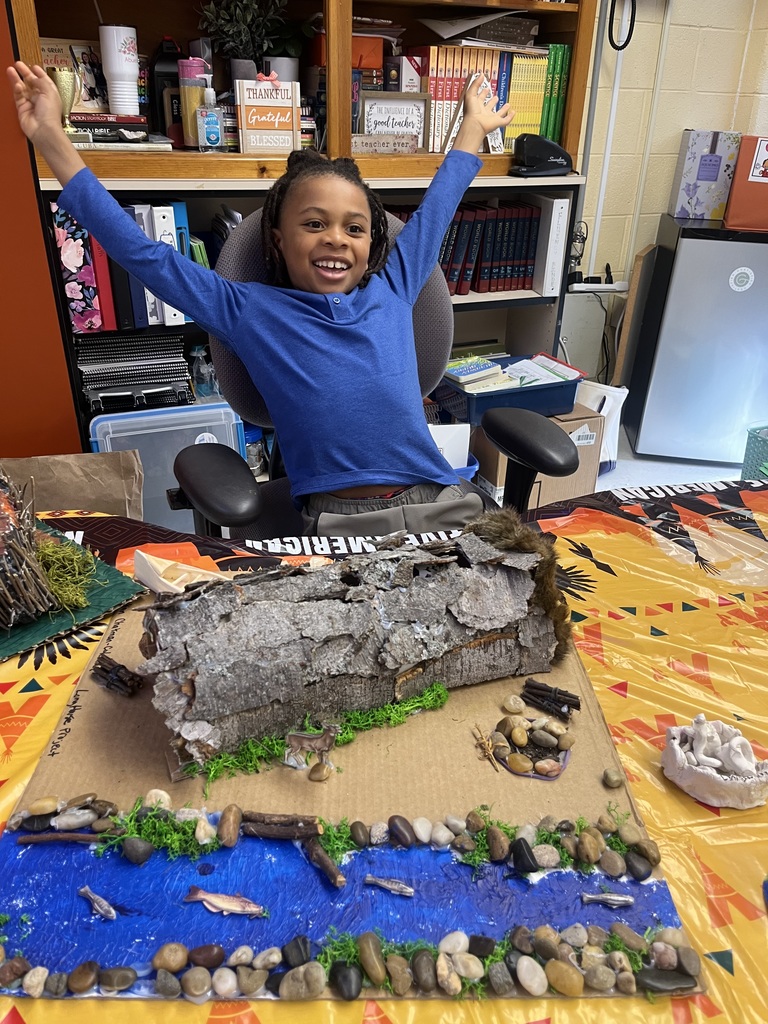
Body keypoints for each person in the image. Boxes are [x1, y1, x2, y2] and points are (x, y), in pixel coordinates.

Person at [7, 60, 514, 537]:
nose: (336, 238)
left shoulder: (395, 285)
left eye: (354, 228)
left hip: (439, 499)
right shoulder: (248, 310)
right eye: (314, 224)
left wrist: (472, 129)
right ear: (278, 238)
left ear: (372, 244)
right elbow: (144, 256)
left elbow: (437, 210)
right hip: (340, 522)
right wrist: (51, 137)